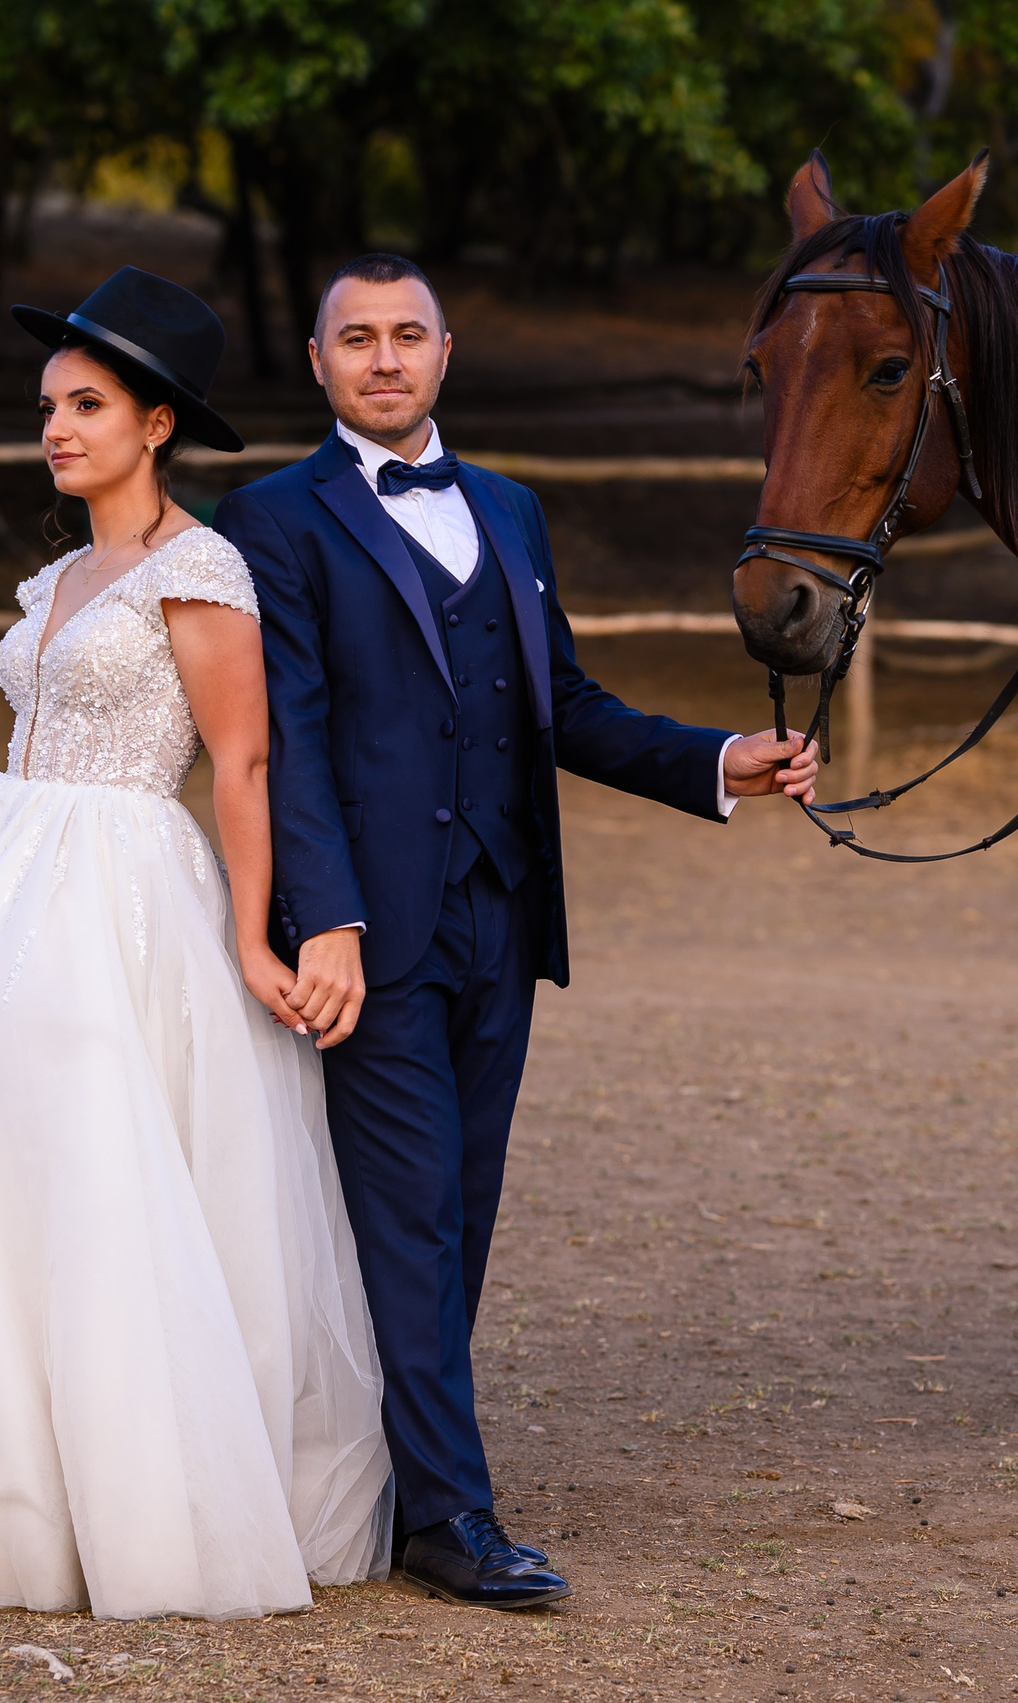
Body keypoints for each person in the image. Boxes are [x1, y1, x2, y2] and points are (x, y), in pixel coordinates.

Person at [215, 253, 818, 1611]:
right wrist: (329, 923)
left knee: (461, 1215)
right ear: (318, 363)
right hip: (369, 936)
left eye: (408, 334)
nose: (384, 358)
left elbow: (569, 706)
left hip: (504, 915)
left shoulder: (510, 509)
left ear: (446, 350)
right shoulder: (271, 519)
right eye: (356, 338)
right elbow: (287, 743)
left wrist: (720, 760)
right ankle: (452, 1518)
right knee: (416, 1215)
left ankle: (396, 1477)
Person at [0, 267, 393, 1620]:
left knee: (67, 1183)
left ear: (157, 424)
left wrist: (255, 940)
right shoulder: (63, 574)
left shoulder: (201, 569)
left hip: (116, 894)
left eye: (86, 405)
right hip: (2, 878)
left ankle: (50, 1495)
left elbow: (240, 764)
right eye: (50, 406)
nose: (56, 428)